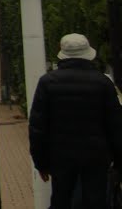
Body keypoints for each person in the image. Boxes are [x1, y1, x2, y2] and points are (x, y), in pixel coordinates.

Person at [29, 33, 122, 208]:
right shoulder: (103, 83)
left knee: (61, 198)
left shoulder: (47, 83)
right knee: (96, 200)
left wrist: (40, 162)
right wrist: (119, 160)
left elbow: (37, 127)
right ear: (88, 55)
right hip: (96, 156)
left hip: (60, 156)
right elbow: (115, 125)